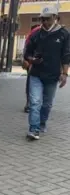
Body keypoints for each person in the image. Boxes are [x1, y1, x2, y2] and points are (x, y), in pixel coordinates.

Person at [24, 6, 70, 140]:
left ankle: (42, 123)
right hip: (36, 74)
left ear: (55, 18)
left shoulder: (64, 34)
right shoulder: (36, 34)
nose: (45, 22)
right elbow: (27, 53)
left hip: (53, 75)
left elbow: (66, 55)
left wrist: (64, 74)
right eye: (42, 19)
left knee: (47, 104)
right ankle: (34, 129)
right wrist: (32, 59)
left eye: (48, 19)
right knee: (35, 102)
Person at [22, 24, 41, 113]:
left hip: (39, 63)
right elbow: (27, 49)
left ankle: (31, 103)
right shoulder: (35, 33)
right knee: (31, 82)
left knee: (32, 83)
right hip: (32, 62)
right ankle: (30, 103)